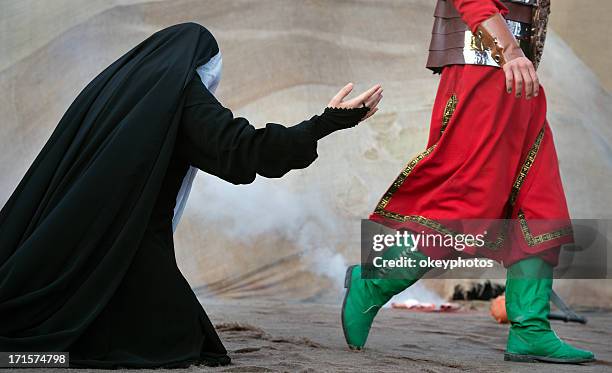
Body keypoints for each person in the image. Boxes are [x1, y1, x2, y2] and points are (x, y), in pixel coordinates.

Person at [0, 23, 382, 368]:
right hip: (116, 243)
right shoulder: (180, 97)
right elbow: (244, 149)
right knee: (176, 340)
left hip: (67, 235)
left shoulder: (114, 92)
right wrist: (327, 122)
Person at [341, 0, 595, 364]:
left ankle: (530, 329)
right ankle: (374, 282)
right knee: (463, 206)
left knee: (541, 203)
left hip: (518, 77)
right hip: (484, 74)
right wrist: (508, 50)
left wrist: (513, 55)